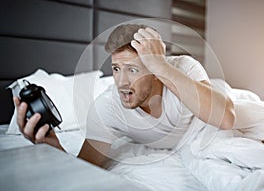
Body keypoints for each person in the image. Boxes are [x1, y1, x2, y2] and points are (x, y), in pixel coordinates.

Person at [13, 24, 235, 168]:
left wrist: (161, 65)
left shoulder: (183, 67)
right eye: (116, 69)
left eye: (132, 69)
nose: (121, 82)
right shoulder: (107, 108)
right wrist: (53, 146)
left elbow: (225, 119)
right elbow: (86, 167)